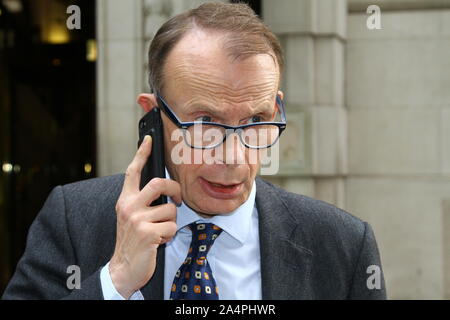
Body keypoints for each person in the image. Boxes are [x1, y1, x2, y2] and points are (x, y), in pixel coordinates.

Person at [2, 2, 386, 300]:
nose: (234, 157)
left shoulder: (343, 245)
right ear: (152, 118)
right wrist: (114, 281)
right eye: (204, 124)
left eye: (255, 120)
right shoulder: (73, 220)